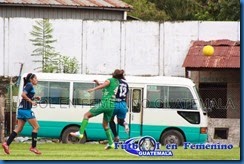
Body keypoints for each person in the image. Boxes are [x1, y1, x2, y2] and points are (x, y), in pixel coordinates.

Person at [70, 69, 121, 150]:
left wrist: (93, 89)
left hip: (104, 104)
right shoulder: (117, 83)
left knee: (86, 115)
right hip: (111, 106)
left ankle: (80, 133)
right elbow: (105, 87)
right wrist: (98, 83)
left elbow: (104, 85)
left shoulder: (109, 80)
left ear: (113, 74)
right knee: (105, 125)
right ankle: (111, 143)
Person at [2, 73, 42, 155]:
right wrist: (32, 101)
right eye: (35, 78)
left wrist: (35, 98)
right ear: (31, 79)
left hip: (21, 109)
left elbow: (26, 96)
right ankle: (33, 147)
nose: (37, 80)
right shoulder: (29, 85)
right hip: (25, 110)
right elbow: (23, 95)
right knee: (36, 127)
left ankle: (6, 144)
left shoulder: (28, 85)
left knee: (19, 129)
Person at [108, 70, 129, 142]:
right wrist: (126, 105)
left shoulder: (114, 82)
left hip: (114, 103)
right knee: (120, 121)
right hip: (123, 104)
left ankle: (116, 136)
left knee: (111, 120)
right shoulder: (126, 84)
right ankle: (125, 124)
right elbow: (126, 96)